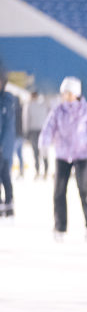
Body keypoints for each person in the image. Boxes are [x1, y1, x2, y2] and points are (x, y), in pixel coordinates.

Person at [39, 76, 87, 240]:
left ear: (76, 94)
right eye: (64, 93)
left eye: (68, 93)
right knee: (58, 191)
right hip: (62, 155)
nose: (65, 96)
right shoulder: (58, 110)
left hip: (82, 155)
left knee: (83, 189)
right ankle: (60, 227)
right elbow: (48, 128)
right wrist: (44, 143)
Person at [0, 70, 15, 217]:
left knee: (5, 175)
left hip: (4, 147)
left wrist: (3, 145)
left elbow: (8, 127)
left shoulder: (7, 101)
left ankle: (9, 203)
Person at [25, 91, 49, 179]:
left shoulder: (30, 105)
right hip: (41, 130)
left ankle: (40, 171)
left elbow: (26, 119)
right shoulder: (43, 104)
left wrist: (26, 132)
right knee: (42, 152)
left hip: (35, 131)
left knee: (37, 153)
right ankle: (43, 171)